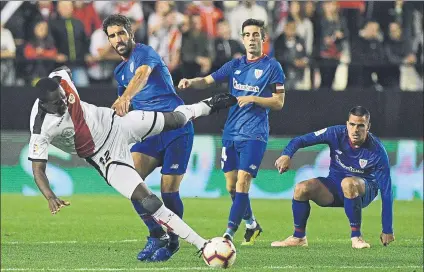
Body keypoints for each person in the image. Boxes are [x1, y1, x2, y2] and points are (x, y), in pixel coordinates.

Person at [28, 68, 236, 257]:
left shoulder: (60, 79)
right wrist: (50, 196)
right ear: (45, 105)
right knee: (149, 201)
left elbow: (65, 70)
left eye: (64, 98)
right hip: (105, 158)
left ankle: (206, 105)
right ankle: (203, 245)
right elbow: (38, 169)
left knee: (176, 120)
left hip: (117, 123)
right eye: (57, 103)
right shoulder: (40, 127)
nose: (64, 103)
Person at [178, 19, 286, 245]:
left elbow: (279, 102)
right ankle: (252, 224)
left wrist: (254, 98)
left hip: (255, 134)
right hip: (231, 132)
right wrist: (190, 81)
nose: (251, 39)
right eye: (247, 35)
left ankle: (228, 234)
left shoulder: (272, 67)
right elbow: (207, 80)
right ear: (243, 39)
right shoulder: (234, 65)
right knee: (231, 186)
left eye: (256, 35)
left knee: (243, 182)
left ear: (263, 38)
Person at [102, 14, 195, 262]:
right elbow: (124, 108)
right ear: (109, 41)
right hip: (150, 132)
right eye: (112, 35)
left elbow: (141, 76)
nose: (118, 39)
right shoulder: (119, 71)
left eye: (121, 33)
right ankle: (156, 234)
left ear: (131, 34)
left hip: (176, 127)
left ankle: (173, 241)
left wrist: (125, 98)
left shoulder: (145, 53)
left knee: (169, 192)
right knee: (131, 182)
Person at [272, 106, 395, 249]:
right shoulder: (336, 133)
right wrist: (287, 154)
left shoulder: (377, 151)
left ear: (368, 127)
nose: (355, 130)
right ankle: (298, 237)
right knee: (301, 188)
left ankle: (357, 237)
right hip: (334, 187)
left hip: (364, 190)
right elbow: (301, 140)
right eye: (352, 124)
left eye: (361, 126)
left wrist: (387, 229)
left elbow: (386, 191)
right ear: (347, 124)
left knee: (348, 183)